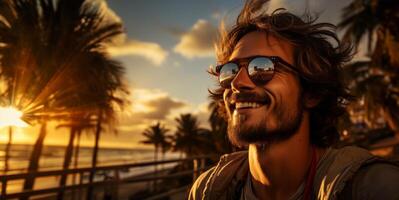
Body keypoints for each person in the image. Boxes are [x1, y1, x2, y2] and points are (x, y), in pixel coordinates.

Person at [188, 0, 399, 199]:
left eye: (262, 68)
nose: (237, 82)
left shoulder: (371, 187)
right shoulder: (208, 190)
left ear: (311, 93)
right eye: (230, 71)